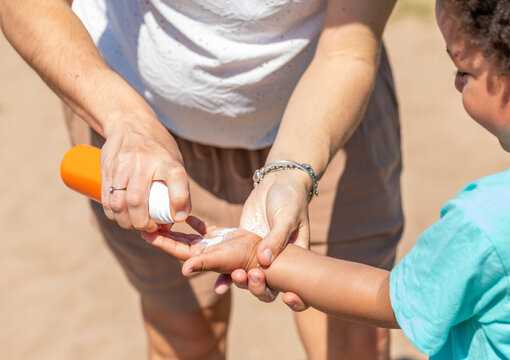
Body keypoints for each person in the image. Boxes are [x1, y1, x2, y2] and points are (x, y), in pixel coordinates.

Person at [0, 0, 403, 358]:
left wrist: (290, 171)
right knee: (184, 338)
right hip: (134, 126)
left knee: (354, 345)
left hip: (323, 123)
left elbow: (347, 51)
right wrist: (126, 120)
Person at [144, 0, 510, 358]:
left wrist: (254, 256)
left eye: (463, 69)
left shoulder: (488, 223)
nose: (457, 83)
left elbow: (390, 301)